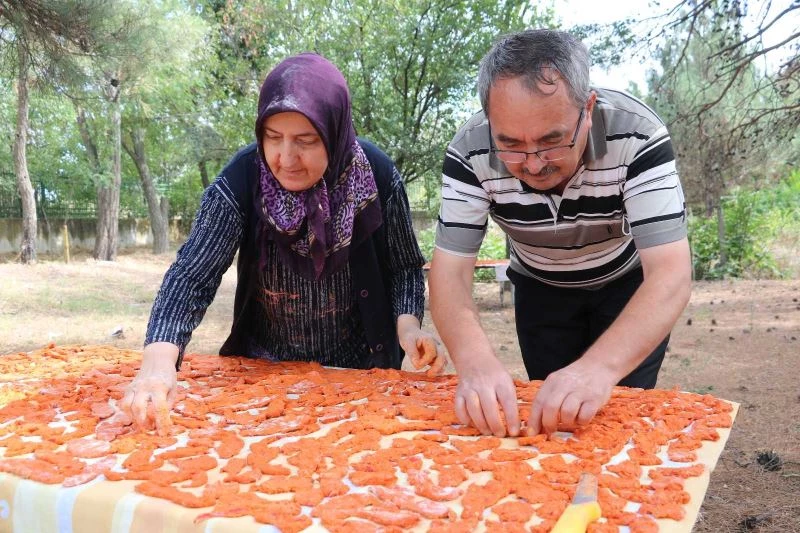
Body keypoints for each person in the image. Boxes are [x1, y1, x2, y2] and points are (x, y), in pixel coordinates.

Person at [122, 53, 442, 431]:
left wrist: (408, 327)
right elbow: (192, 275)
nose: (286, 158)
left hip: (360, 372)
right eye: (273, 138)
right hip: (264, 370)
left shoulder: (377, 176)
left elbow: (404, 266)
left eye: (306, 141)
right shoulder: (244, 178)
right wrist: (158, 364)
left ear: (335, 134)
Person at [429, 29, 691, 437]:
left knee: (613, 419)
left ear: (588, 108)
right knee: (553, 420)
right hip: (540, 286)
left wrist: (599, 369)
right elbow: (450, 273)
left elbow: (670, 273)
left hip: (628, 287)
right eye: (510, 144)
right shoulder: (469, 150)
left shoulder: (639, 134)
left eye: (552, 141)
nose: (533, 165)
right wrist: (474, 362)